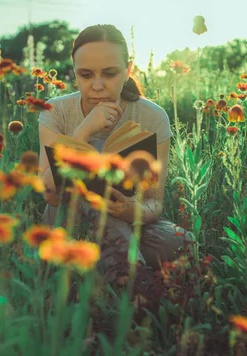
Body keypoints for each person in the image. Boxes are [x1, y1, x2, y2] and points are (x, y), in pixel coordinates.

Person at [37, 24, 192, 298]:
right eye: (85, 75)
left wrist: (131, 210)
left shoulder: (152, 117)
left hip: (130, 220)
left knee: (179, 243)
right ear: (74, 73)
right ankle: (133, 285)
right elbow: (50, 193)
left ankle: (99, 265)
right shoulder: (57, 111)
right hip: (69, 220)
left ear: (128, 70)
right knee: (88, 191)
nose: (97, 86)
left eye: (110, 74)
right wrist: (84, 130)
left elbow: (155, 202)